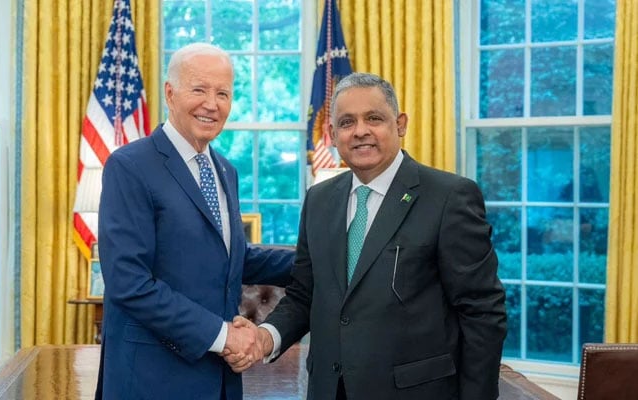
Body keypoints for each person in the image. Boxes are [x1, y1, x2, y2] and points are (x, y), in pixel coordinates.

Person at [228, 72, 507, 399]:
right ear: (332, 133)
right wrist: (266, 337)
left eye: (374, 118)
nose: (360, 131)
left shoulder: (449, 197)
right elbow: (305, 294)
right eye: (347, 122)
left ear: (400, 124)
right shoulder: (319, 200)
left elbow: (482, 312)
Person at [95, 42, 294, 400]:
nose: (212, 104)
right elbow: (130, 282)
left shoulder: (225, 171)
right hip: (151, 380)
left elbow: (231, 258)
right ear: (170, 94)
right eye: (199, 89)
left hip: (220, 380)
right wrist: (223, 335)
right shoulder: (130, 166)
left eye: (223, 93)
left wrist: (320, 259)